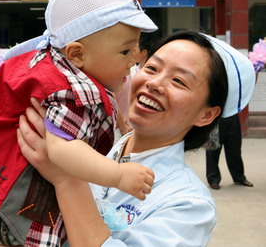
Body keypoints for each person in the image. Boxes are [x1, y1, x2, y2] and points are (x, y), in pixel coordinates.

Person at [0, 0, 157, 246]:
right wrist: (118, 175)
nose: (133, 62)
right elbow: (62, 150)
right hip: (17, 215)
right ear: (77, 54)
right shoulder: (72, 88)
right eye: (125, 51)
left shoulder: (43, 64)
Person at [16, 30, 256, 246]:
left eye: (179, 81)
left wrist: (66, 177)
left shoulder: (189, 204)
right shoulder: (92, 140)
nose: (154, 83)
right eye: (151, 68)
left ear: (206, 115)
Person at [115, 35, 154, 135]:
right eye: (127, 51)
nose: (132, 55)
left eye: (134, 50)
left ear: (144, 52)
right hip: (122, 127)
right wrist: (123, 126)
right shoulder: (129, 72)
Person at [206, 113, 254, 190]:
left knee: (234, 149)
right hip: (215, 117)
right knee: (213, 150)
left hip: (232, 115)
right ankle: (213, 180)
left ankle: (239, 178)